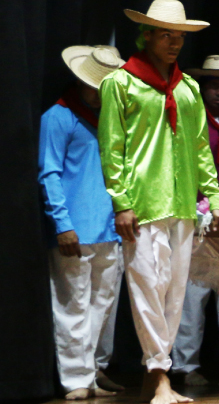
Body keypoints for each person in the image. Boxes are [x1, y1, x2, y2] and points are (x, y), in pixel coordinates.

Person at [99, 0, 219, 404]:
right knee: (146, 288)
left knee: (174, 292)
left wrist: (215, 198)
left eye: (180, 36)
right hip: (143, 201)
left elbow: (200, 147)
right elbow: (111, 147)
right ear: (148, 35)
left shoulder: (188, 89)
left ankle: (157, 373)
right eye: (166, 34)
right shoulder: (120, 83)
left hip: (182, 201)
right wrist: (121, 201)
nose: (174, 43)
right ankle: (158, 373)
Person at [41, 45, 126, 400]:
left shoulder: (115, 119)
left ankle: (91, 371)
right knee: (73, 304)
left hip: (110, 228)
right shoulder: (59, 117)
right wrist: (62, 223)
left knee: (102, 307)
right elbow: (49, 173)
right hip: (76, 227)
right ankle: (76, 379)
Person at [171, 56, 219, 385]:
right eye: (214, 86)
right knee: (193, 289)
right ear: (201, 88)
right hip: (192, 211)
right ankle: (185, 365)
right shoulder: (188, 120)